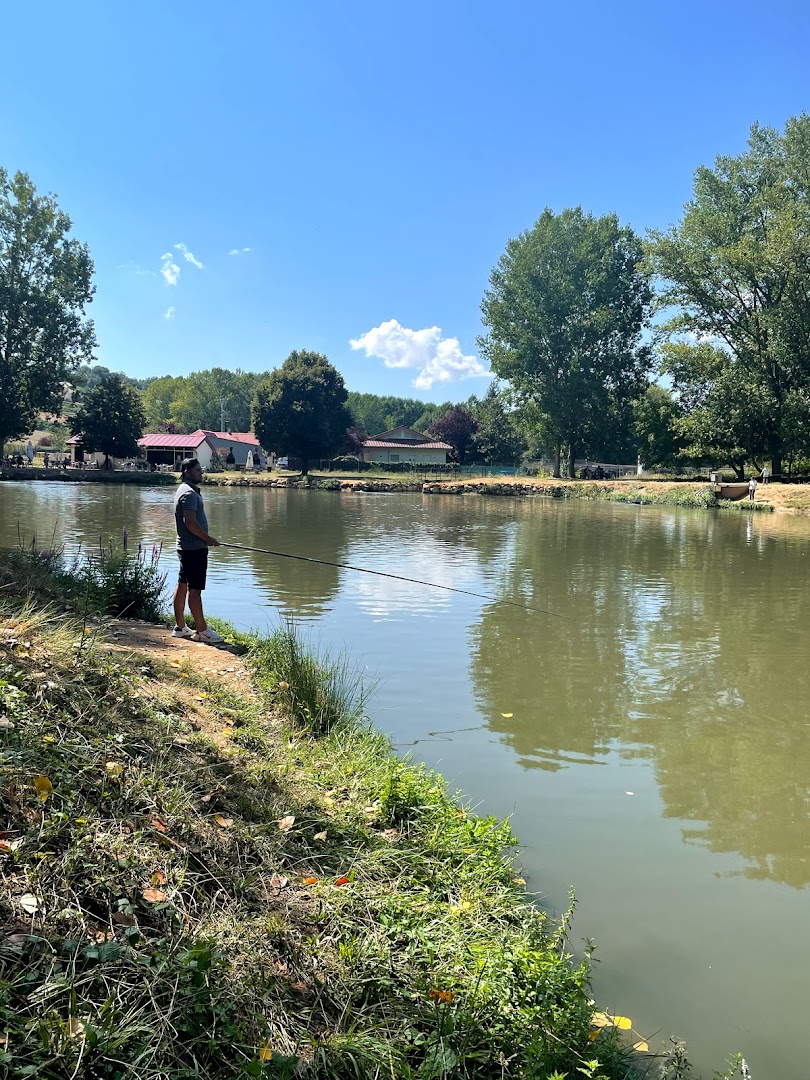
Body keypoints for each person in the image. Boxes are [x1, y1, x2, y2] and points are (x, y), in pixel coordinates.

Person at [172, 458, 225, 644]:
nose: (201, 473)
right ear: (186, 471)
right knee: (195, 590)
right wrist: (207, 539)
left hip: (186, 547)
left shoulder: (185, 490)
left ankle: (180, 627)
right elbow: (190, 522)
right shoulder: (189, 494)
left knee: (183, 584)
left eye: (200, 470)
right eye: (197, 471)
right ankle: (202, 631)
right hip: (194, 549)